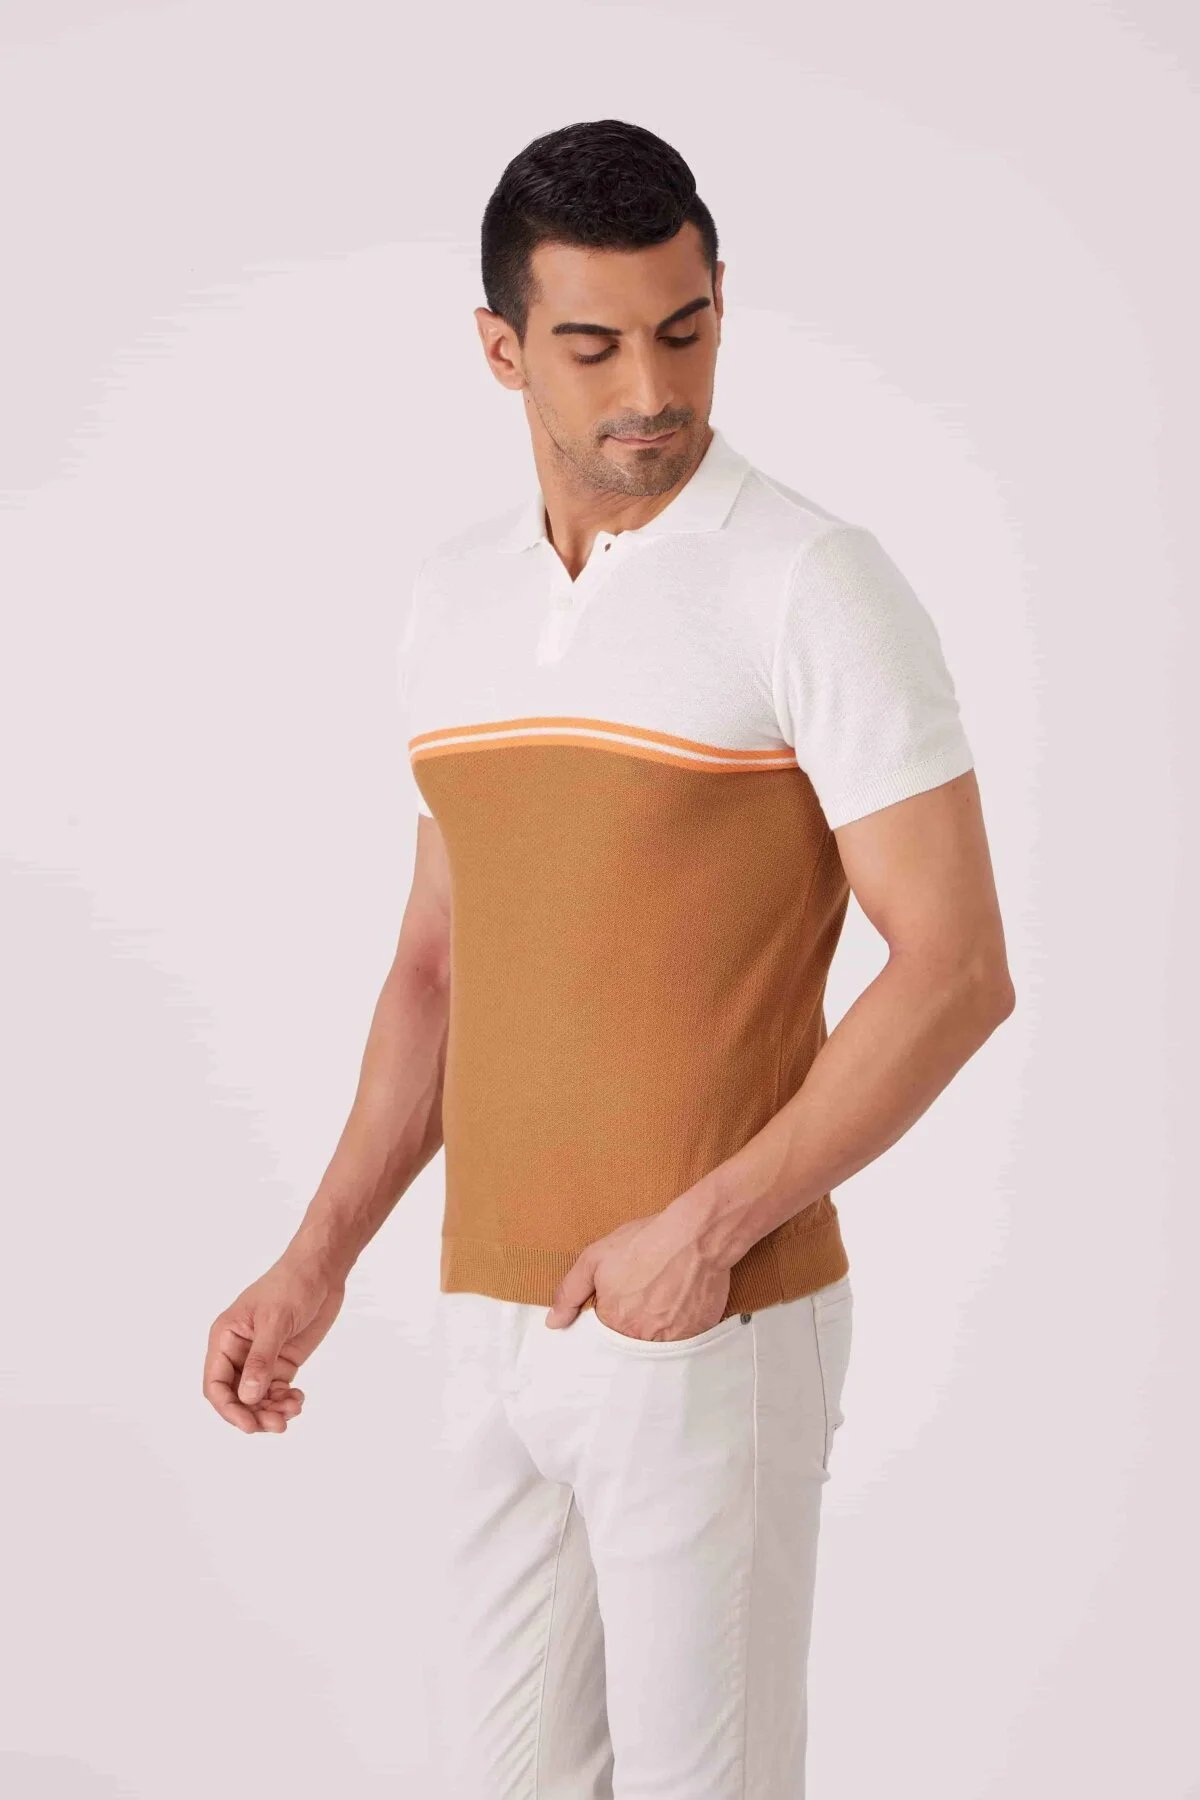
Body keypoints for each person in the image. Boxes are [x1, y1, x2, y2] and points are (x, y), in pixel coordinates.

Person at [203, 118, 1015, 1798]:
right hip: (489, 1320)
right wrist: (317, 1260)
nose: (653, 388)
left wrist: (701, 1236)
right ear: (502, 349)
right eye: (594, 346)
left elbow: (954, 968)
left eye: (685, 330)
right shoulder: (454, 602)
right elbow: (441, 969)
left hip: (709, 1322)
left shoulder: (811, 583)